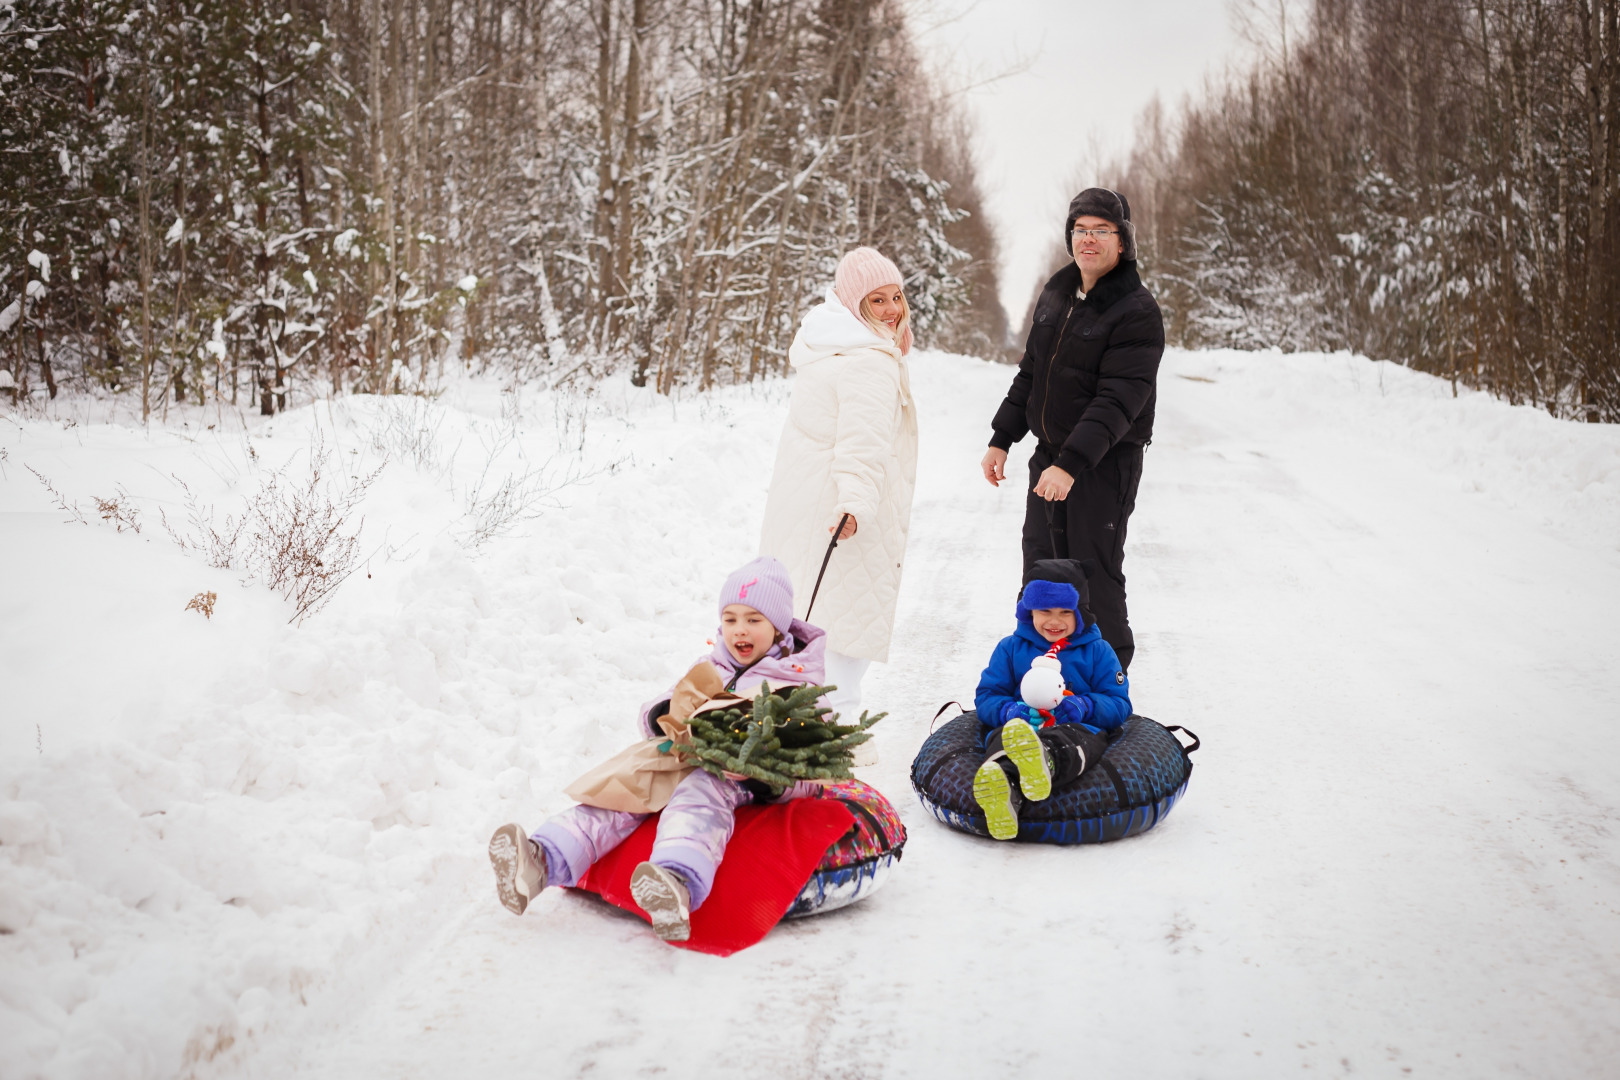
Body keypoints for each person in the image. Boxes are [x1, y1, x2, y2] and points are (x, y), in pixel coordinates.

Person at [487, 556, 827, 943]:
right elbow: (668, 701)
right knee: (630, 784)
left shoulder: (797, 682)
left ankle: (677, 883)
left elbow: (815, 763)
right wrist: (665, 714)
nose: (739, 630)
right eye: (730, 619)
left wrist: (765, 776)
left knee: (701, 792)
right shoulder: (713, 664)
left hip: (744, 779)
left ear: (778, 624)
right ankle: (542, 859)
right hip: (688, 756)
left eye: (753, 619)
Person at [980, 188, 1165, 672]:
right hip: (1050, 458)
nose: (1089, 239)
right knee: (1041, 570)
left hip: (1102, 466)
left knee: (1091, 575)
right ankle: (1037, 677)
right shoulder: (1057, 293)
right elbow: (1032, 373)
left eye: (1102, 230)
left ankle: (1107, 684)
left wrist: (1071, 464)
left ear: (1121, 242)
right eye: (1081, 229)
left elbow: (1118, 400)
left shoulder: (1136, 310)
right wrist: (1002, 437)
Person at [759, 246, 919, 730]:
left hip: (808, 498)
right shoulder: (868, 360)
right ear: (854, 304)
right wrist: (856, 502)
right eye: (877, 301)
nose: (892, 310)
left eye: (897, 297)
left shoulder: (829, 344)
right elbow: (862, 443)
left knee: (813, 607)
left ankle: (793, 712)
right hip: (844, 504)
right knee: (846, 617)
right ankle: (837, 728)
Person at [971, 559, 1130, 841]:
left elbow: (1119, 703)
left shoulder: (1098, 651)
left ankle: (1047, 762)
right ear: (1028, 610)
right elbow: (987, 696)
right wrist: (1009, 711)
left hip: (1074, 727)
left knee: (1079, 741)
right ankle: (1002, 790)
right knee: (1003, 737)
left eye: (1065, 612)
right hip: (1024, 725)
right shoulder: (1010, 649)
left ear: (1080, 613)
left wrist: (1086, 706)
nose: (1054, 621)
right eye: (1045, 610)